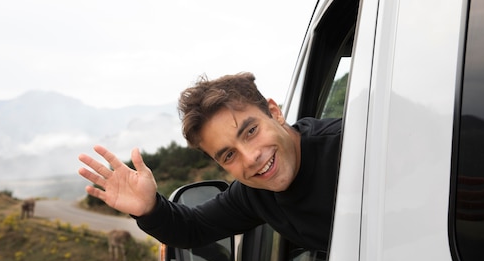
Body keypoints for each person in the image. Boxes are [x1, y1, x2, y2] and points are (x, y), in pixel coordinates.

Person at [78, 72, 342, 251]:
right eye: (229, 155)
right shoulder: (255, 194)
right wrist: (149, 209)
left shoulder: (348, 146)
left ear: (274, 112)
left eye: (251, 131)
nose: (250, 158)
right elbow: (194, 228)